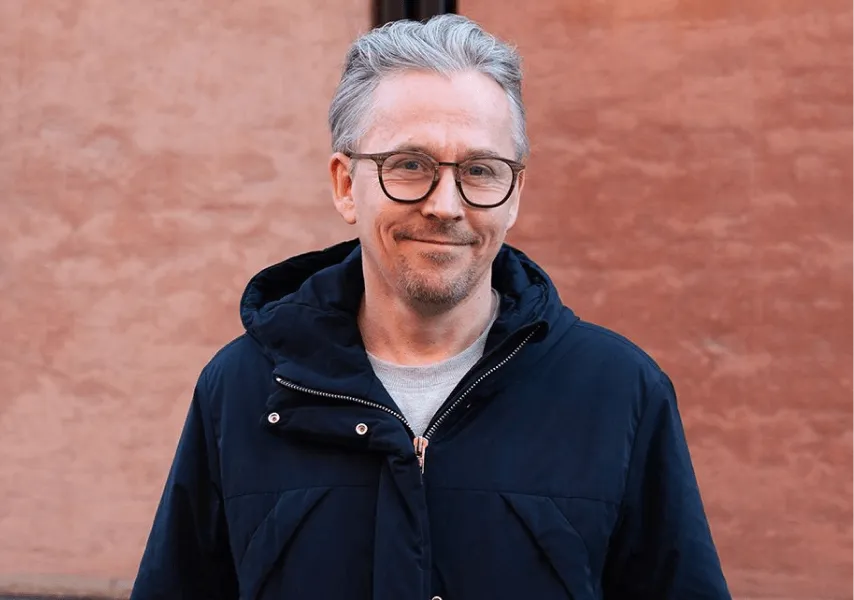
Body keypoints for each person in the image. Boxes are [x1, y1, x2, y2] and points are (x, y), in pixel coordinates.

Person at [130, 13, 731, 600]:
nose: (446, 205)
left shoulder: (618, 391)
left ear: (514, 193)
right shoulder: (241, 390)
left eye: (480, 170)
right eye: (410, 166)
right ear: (345, 185)